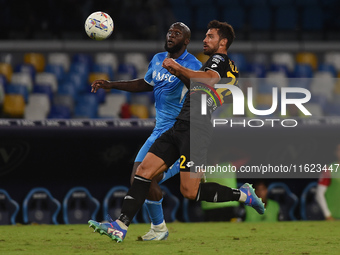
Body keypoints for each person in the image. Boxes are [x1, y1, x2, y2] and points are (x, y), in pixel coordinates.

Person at [89, 20, 265, 243]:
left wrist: (178, 68)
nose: (205, 39)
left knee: (190, 191)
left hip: (196, 130)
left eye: (210, 36)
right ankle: (121, 225)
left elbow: (209, 81)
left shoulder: (219, 60)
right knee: (143, 171)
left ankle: (243, 195)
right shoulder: (220, 66)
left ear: (223, 42)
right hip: (181, 125)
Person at [90, 22, 202, 240]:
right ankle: (158, 229)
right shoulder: (158, 59)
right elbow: (145, 83)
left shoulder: (193, 64)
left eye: (177, 34)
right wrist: (111, 84)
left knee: (148, 177)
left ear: (186, 41)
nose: (171, 35)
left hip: (178, 134)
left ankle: (126, 225)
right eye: (169, 32)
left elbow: (200, 87)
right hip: (158, 131)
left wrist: (178, 70)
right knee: (138, 178)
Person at [315, 143, 340, 220]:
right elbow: (319, 194)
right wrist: (327, 215)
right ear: (335, 152)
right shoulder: (328, 169)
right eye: (339, 150)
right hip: (334, 217)